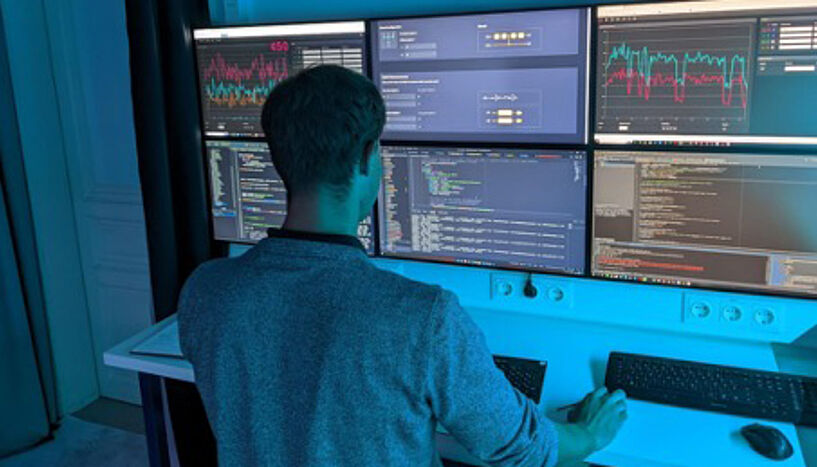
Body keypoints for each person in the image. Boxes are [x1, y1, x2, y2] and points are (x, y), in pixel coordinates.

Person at [178, 64, 627, 467]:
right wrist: (588, 433)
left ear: (278, 161)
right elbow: (517, 447)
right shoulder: (420, 318)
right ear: (368, 159)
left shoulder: (206, 290)